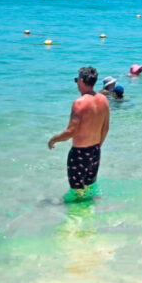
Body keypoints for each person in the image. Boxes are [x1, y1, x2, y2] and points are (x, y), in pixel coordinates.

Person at [48, 66, 111, 197]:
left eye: (76, 80)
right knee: (88, 186)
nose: (77, 83)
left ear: (82, 81)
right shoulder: (103, 100)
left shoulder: (79, 103)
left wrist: (53, 140)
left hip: (79, 153)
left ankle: (78, 214)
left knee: (77, 190)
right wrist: (98, 146)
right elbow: (105, 128)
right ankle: (90, 210)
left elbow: (70, 132)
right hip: (95, 150)